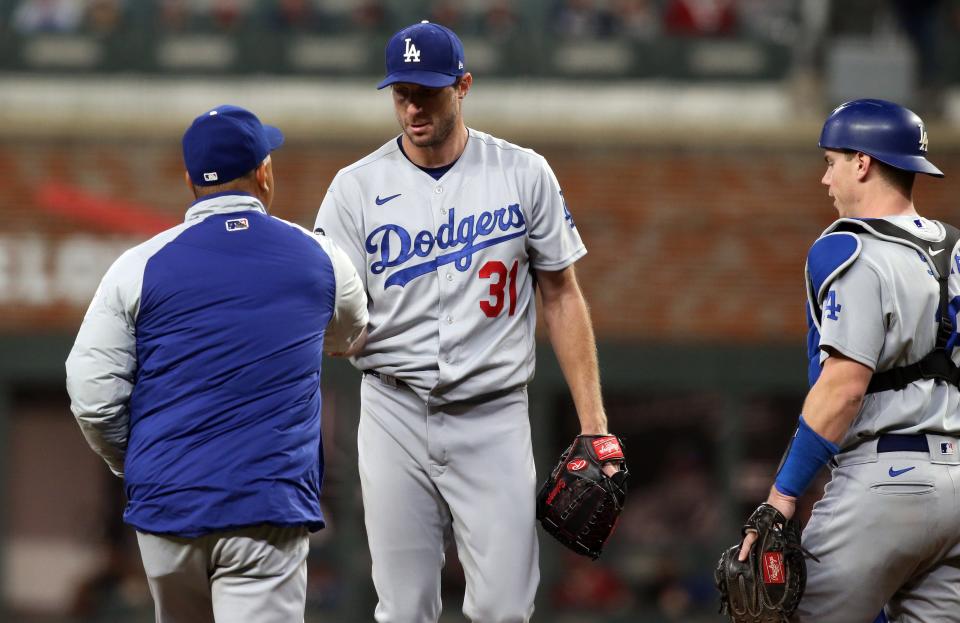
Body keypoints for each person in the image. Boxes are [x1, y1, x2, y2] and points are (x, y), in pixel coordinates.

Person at [314, 20, 617, 623]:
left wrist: (595, 425)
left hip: (494, 412)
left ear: (463, 86)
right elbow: (327, 305)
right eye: (401, 93)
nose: (412, 107)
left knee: (506, 608)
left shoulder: (523, 172)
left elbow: (561, 295)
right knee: (403, 610)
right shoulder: (354, 188)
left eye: (426, 92)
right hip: (393, 410)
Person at [66, 104, 368, 623]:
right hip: (265, 513)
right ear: (264, 172)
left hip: (167, 512)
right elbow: (348, 333)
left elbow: (92, 397)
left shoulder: (137, 265)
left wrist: (138, 462)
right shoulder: (320, 257)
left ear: (190, 180)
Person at [738, 98, 960, 622]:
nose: (825, 179)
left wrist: (783, 495)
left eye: (831, 161)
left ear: (862, 162)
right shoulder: (957, 250)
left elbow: (843, 386)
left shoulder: (849, 247)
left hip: (886, 478)